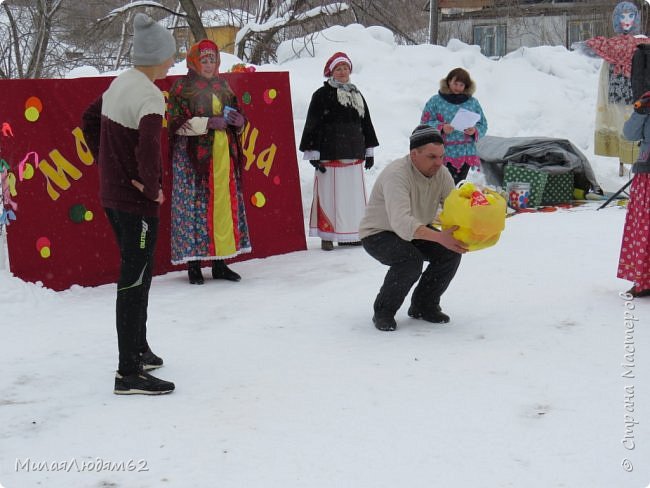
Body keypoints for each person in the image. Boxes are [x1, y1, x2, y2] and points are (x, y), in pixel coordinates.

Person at [82, 13, 176, 394]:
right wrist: (151, 187)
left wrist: (106, 163)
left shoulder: (122, 82)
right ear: (157, 56)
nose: (172, 62)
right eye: (170, 56)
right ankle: (128, 373)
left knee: (139, 273)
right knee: (134, 280)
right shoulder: (150, 95)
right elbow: (150, 148)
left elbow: (88, 119)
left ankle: (138, 346)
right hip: (135, 204)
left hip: (113, 197)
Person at [359, 125, 468, 332]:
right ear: (414, 154)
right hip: (379, 233)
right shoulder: (396, 175)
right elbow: (401, 222)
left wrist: (478, 219)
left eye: (441, 157)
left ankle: (423, 305)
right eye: (432, 157)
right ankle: (383, 311)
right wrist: (439, 237)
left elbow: (455, 206)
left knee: (450, 251)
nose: (439, 163)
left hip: (416, 228)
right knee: (410, 260)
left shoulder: (441, 173)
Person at [167, 39, 250, 284]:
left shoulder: (223, 85)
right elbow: (175, 123)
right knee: (196, 208)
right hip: (194, 161)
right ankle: (194, 265)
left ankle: (220, 263)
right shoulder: (182, 87)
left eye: (213, 59)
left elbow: (237, 111)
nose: (209, 64)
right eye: (204, 59)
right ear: (194, 61)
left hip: (222, 156)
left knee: (221, 207)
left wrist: (239, 121)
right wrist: (207, 123)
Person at [299, 52, 379, 251]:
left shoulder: (356, 94)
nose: (342, 72)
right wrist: (313, 153)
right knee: (329, 198)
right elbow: (313, 123)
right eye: (338, 68)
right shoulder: (321, 95)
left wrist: (369, 150)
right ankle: (327, 235)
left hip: (353, 153)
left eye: (345, 68)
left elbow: (365, 122)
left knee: (352, 199)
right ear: (331, 72)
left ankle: (351, 234)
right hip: (330, 153)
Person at [581, 1, 650, 177]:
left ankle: (638, 162)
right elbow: (589, 48)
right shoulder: (611, 45)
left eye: (631, 16)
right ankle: (622, 164)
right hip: (616, 89)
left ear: (636, 18)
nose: (626, 20)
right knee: (621, 125)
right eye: (622, 16)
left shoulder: (643, 43)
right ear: (616, 20)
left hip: (638, 91)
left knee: (636, 126)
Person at [420, 67, 488, 184]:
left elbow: (483, 124)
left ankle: (454, 202)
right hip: (441, 152)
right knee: (442, 185)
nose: (458, 87)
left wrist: (474, 131)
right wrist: (441, 128)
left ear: (466, 86)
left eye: (461, 85)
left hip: (465, 152)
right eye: (455, 83)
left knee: (457, 185)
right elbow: (424, 123)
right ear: (448, 81)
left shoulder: (473, 103)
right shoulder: (436, 101)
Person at [618, 91, 650, 297]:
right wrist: (641, 112)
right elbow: (629, 134)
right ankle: (645, 279)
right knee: (645, 231)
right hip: (647, 175)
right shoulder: (647, 101)